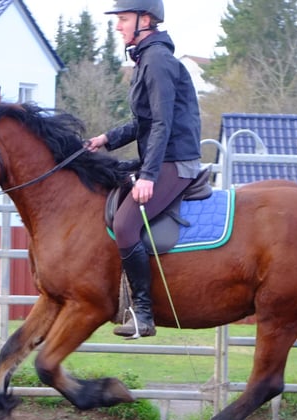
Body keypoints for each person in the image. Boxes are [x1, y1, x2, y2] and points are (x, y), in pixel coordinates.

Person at [87, 0, 202, 339]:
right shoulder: (145, 60)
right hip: (159, 156)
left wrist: (149, 176)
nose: (118, 26)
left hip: (174, 161)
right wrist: (105, 139)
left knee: (125, 226)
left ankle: (143, 313)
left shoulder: (157, 61)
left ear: (145, 20)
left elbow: (163, 123)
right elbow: (144, 122)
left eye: (123, 19)